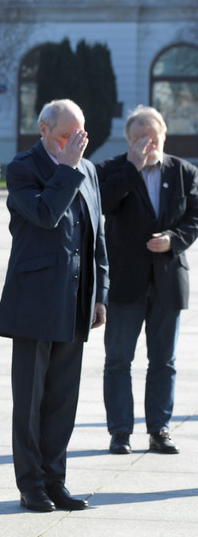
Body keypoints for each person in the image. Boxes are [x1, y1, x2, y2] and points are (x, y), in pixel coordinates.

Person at [0, 98, 106, 513]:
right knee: (29, 401)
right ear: (43, 131)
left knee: (62, 399)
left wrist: (101, 295)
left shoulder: (88, 169)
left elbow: (97, 236)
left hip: (77, 299)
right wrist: (66, 169)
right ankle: (31, 485)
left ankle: (55, 479)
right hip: (34, 300)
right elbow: (45, 214)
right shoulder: (24, 168)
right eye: (66, 136)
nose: (74, 145)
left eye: (80, 137)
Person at [96, 105, 198, 455]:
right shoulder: (110, 170)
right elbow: (103, 204)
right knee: (118, 360)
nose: (148, 143)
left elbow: (194, 219)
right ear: (128, 140)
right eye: (140, 138)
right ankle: (121, 431)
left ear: (164, 137)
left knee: (164, 361)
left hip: (168, 280)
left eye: (154, 137)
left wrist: (174, 239)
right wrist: (132, 169)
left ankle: (159, 428)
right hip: (126, 282)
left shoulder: (184, 171)